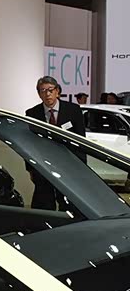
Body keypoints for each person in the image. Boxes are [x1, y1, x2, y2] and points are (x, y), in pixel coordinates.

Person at [25, 76, 85, 210]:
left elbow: (81, 140)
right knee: (43, 202)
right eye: (43, 91)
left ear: (57, 91)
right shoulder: (32, 113)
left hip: (69, 164)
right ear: (39, 94)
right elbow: (29, 143)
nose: (47, 94)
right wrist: (30, 168)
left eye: (50, 90)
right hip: (43, 165)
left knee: (70, 203)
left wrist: (81, 167)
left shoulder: (73, 110)